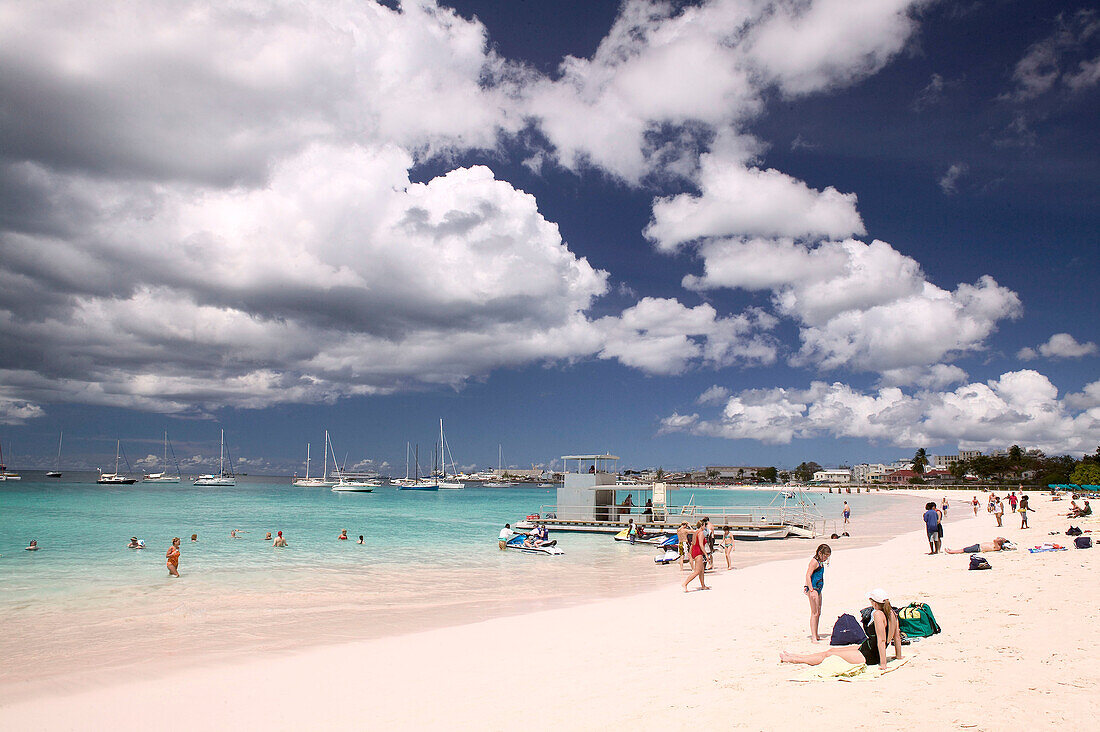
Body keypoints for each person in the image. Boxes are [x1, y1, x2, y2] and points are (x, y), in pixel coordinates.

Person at [780, 589, 903, 671]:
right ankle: (795, 656)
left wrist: (883, 664)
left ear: (874, 603)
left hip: (869, 655)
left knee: (829, 655)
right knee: (831, 650)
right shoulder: (892, 613)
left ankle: (793, 659)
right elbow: (896, 637)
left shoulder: (877, 614)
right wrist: (898, 656)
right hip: (867, 648)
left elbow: (881, 641)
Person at [803, 544, 831, 642]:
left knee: (818, 612)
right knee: (814, 613)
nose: (826, 558)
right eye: (825, 555)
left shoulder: (820, 562)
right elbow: (808, 575)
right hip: (813, 589)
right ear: (820, 553)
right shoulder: (814, 562)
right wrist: (811, 590)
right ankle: (813, 636)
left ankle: (816, 633)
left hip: (818, 589)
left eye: (828, 556)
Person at [681, 518, 710, 592]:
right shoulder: (701, 533)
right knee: (697, 571)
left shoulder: (695, 532)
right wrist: (706, 555)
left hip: (694, 551)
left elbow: (693, 543)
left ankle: (703, 586)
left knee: (701, 570)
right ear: (702, 525)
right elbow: (701, 545)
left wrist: (690, 553)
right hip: (698, 552)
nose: (705, 527)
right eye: (704, 525)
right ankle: (685, 583)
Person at [946, 537, 1011, 554]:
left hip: (979, 548)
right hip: (978, 546)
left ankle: (951, 551)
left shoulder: (998, 547)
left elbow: (995, 540)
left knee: (964, 550)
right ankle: (952, 550)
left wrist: (1002, 540)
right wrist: (1002, 539)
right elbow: (997, 537)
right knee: (965, 548)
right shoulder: (997, 545)